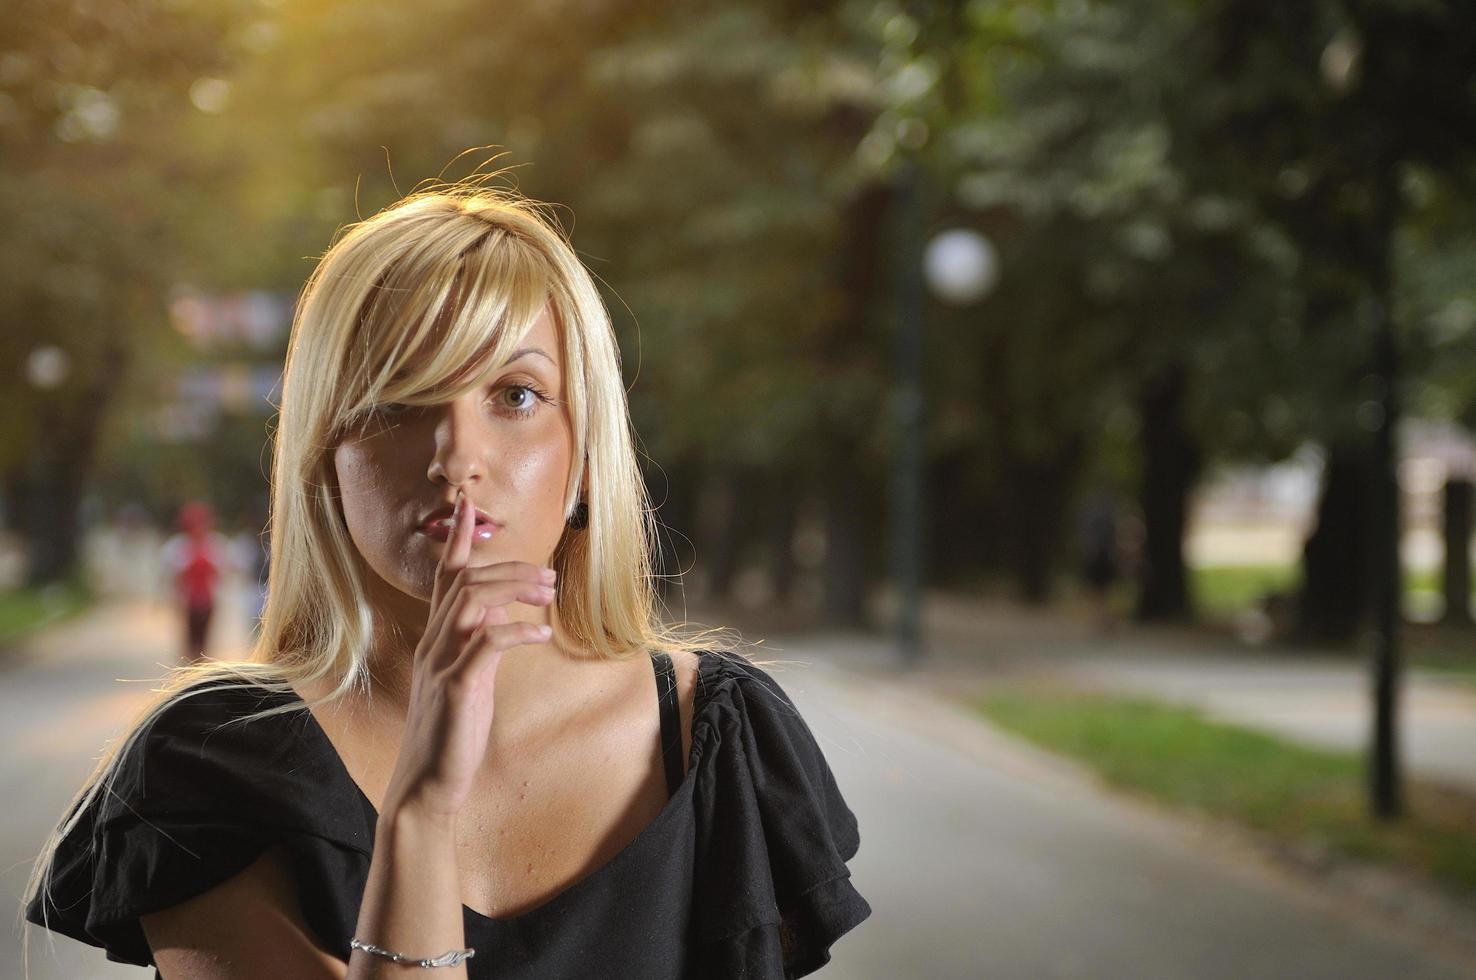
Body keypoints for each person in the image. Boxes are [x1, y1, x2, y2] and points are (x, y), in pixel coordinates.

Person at [23, 180, 870, 979]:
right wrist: (422, 811)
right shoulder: (209, 762)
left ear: (586, 455)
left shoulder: (722, 740)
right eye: (399, 401)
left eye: (516, 394)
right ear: (326, 456)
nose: (455, 459)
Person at [159, 500, 229, 662]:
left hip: (208, 600)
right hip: (187, 601)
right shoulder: (178, 546)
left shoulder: (215, 544)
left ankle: (200, 665)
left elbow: (223, 573)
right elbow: (173, 575)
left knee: (204, 638)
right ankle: (192, 664)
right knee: (190, 638)